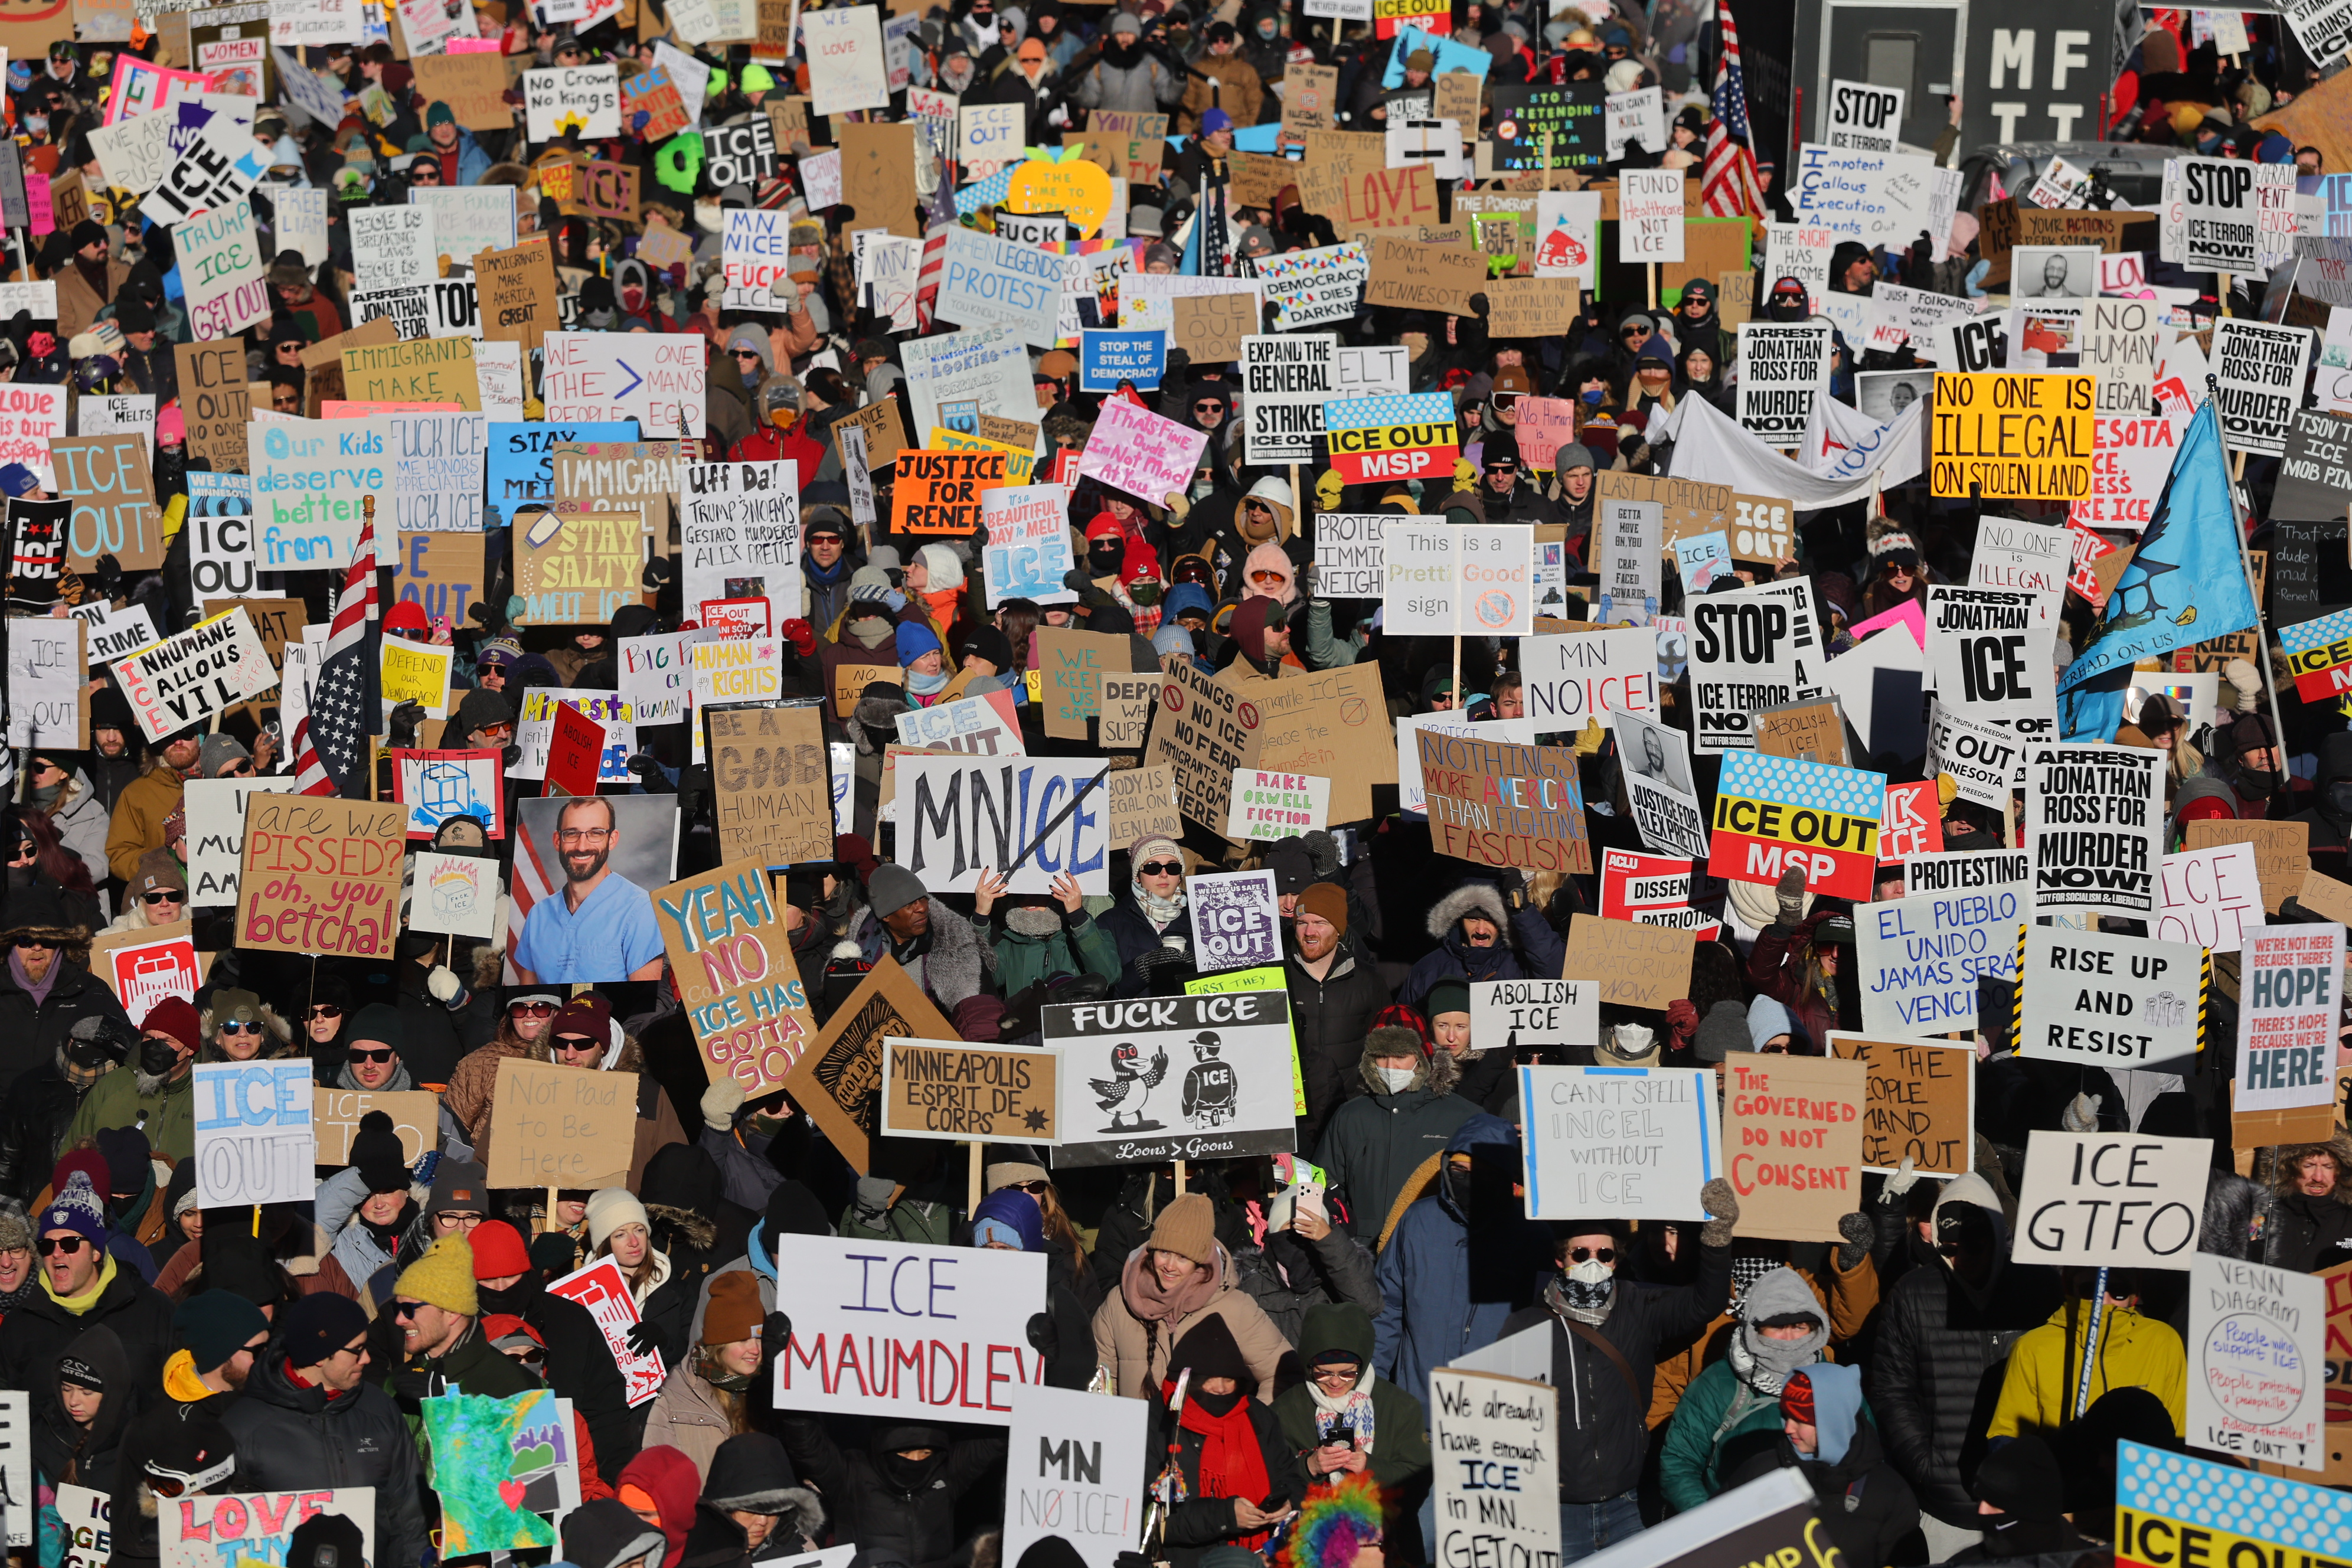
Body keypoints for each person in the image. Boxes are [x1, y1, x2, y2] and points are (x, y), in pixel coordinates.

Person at [1500, 1181, 1739, 1561]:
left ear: (1617, 1259)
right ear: (1561, 1259)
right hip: (1558, 1513)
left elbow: (1705, 1302)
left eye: (1605, 1254)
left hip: (1628, 1504)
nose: (1594, 1262)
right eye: (1581, 1253)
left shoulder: (1640, 1306)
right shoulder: (1527, 1325)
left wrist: (1717, 1236)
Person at [1868, 1172, 2063, 1562]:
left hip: (2025, 1499)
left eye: (1974, 1246)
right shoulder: (1914, 1293)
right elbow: (1891, 1388)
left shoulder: (2038, 1287)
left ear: (1995, 1235)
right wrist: (1925, 1463)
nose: (1962, 1259)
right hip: (1947, 1505)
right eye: (1951, 1247)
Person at [1092, 1192, 1289, 1400]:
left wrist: (1246, 1426)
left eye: (1182, 1257)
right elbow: (1101, 1379)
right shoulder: (1119, 1302)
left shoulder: (1235, 1307)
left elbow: (1281, 1373)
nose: (1169, 1266)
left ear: (1200, 1260)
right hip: (1135, 1430)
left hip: (1207, 1432)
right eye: (1164, 1252)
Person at [1272, 1304, 1431, 1559]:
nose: (1335, 1382)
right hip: (1312, 1549)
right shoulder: (1286, 1410)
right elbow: (1268, 1479)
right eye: (1323, 1373)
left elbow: (1420, 1479)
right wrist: (1309, 1466)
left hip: (1388, 1549)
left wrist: (1371, 1468)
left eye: (1347, 1374)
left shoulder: (1398, 1406)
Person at [1146, 1315, 1305, 1565]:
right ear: (1188, 1379)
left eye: (1229, 1379)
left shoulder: (1258, 1417)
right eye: (1210, 1378)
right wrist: (1225, 1516)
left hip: (1260, 1557)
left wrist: (1289, 1504)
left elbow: (1292, 1477)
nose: (1221, 1388)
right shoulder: (1158, 1422)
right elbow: (1149, 1518)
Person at [1316, 1008, 1475, 1246]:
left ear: (1422, 1056)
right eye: (1381, 1056)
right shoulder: (1351, 1115)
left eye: (1401, 1055)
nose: (1391, 1066)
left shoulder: (1462, 1116)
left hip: (1435, 1247)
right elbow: (1324, 1184)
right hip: (1365, 1254)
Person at [1985, 1268, 2186, 1442]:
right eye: (2091, 1289)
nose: (2103, 1300)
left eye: (2118, 1291)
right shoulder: (2033, 1346)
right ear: (2071, 1289)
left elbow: (2180, 1430)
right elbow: (2009, 1434)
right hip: (2065, 1481)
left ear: (2134, 1295)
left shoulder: (2163, 1340)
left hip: (2142, 1479)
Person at [512, 797, 667, 984]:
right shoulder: (538, 914)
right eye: (571, 833)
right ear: (557, 841)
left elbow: (644, 1005)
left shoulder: (641, 910)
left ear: (612, 839)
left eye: (596, 833)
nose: (582, 846)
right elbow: (528, 996)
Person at [644, 1272, 767, 1481]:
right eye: (743, 1340)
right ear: (720, 1344)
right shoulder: (678, 1397)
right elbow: (656, 1481)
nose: (755, 1350)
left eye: (759, 1338)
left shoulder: (775, 1393)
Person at [2266, 1136, 2352, 1272]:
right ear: (2288, 1170)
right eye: (2309, 1166)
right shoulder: (2265, 1215)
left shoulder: (2348, 1220)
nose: (2318, 1178)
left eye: (2328, 1167)